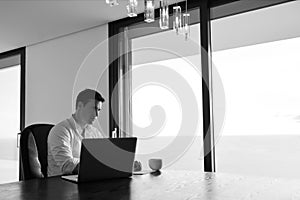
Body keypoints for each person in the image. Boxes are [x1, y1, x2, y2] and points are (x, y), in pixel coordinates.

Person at [47, 89, 141, 176]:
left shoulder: (94, 133)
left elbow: (105, 158)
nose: (96, 114)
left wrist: (125, 165)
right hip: (61, 185)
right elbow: (67, 165)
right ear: (80, 106)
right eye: (93, 108)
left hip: (87, 183)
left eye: (99, 110)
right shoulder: (61, 131)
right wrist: (102, 165)